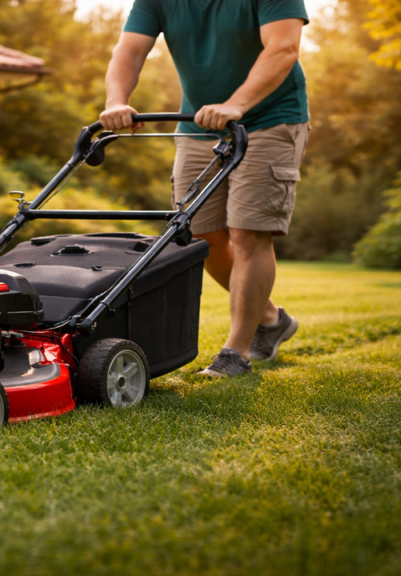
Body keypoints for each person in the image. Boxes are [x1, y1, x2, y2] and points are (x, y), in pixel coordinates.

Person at [100, 0, 310, 377]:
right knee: (197, 235)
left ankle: (236, 352)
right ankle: (270, 318)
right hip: (197, 127)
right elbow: (129, 51)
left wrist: (236, 104)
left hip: (269, 120)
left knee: (249, 233)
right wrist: (117, 101)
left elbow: (283, 47)